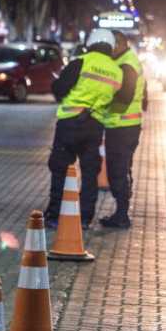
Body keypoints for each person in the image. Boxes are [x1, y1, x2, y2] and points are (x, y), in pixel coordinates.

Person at [46, 29, 136, 230]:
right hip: (94, 126)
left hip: (69, 123)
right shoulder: (116, 71)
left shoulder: (81, 61)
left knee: (60, 169)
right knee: (89, 172)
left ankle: (53, 215)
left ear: (90, 42)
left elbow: (60, 89)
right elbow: (123, 98)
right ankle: (85, 217)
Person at [98, 31, 146, 229]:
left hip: (122, 126)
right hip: (123, 126)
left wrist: (103, 101)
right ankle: (121, 212)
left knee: (118, 170)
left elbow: (125, 95)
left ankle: (122, 214)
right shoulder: (126, 61)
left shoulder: (127, 64)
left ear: (118, 44)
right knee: (122, 169)